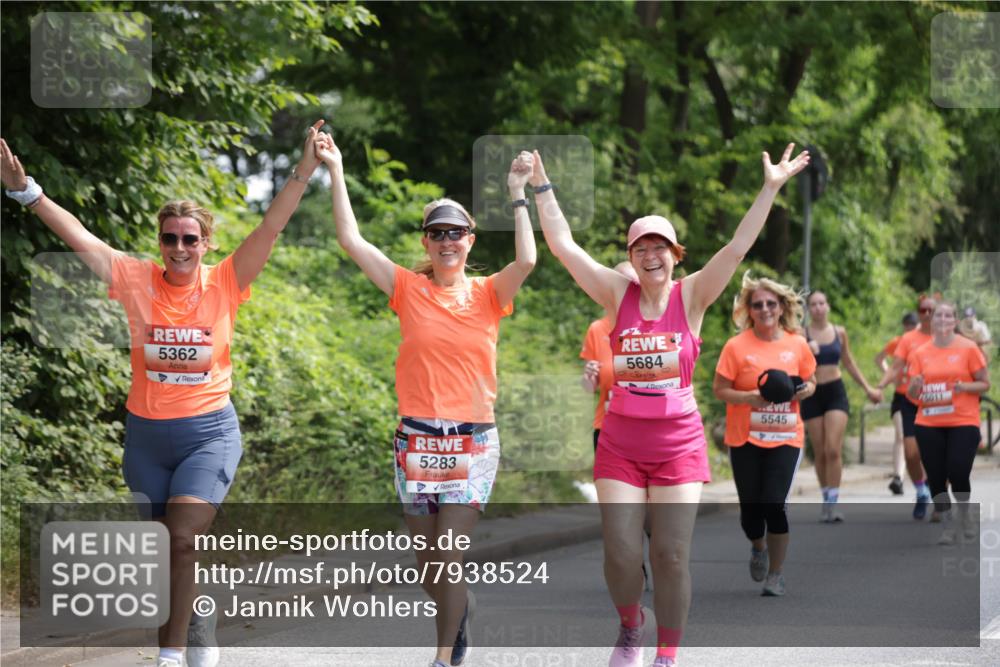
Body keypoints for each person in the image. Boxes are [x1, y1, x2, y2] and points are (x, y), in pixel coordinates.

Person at [1, 123, 327, 667]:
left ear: (206, 243)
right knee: (162, 552)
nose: (179, 248)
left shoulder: (227, 281)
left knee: (181, 540)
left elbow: (271, 225)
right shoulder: (135, 279)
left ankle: (171, 655)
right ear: (161, 242)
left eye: (190, 239)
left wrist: (305, 169)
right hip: (147, 440)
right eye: (170, 238)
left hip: (208, 435)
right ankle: (196, 616)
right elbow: (80, 236)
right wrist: (26, 191)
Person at [535, 142, 809, 666]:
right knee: (621, 551)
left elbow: (737, 247)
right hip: (621, 441)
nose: (650, 255)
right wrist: (542, 187)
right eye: (641, 248)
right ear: (632, 257)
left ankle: (666, 654)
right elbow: (565, 246)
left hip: (678, 444)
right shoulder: (616, 294)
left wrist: (770, 188)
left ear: (675, 254)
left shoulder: (693, 296)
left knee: (671, 555)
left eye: (660, 247)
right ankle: (630, 625)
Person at [317, 131, 535, 667]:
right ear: (426, 242)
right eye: (437, 232)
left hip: (472, 440)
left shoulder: (489, 294)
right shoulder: (406, 289)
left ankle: (443, 656)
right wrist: (336, 169)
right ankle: (460, 611)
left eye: (455, 232)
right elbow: (351, 239)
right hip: (416, 440)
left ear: (469, 241)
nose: (446, 240)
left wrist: (518, 192)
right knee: (427, 567)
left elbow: (527, 260)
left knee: (448, 550)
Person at [713, 274, 817, 597]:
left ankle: (776, 573)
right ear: (749, 310)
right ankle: (758, 547)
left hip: (785, 437)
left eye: (771, 303)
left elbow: (811, 381)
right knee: (751, 514)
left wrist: (805, 391)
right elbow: (720, 389)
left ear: (782, 307)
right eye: (757, 305)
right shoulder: (736, 346)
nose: (765, 309)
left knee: (775, 504)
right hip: (745, 438)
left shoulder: (797, 344)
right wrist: (748, 398)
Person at [906, 300, 990, 545]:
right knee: (935, 476)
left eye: (947, 316)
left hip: (963, 420)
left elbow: (985, 383)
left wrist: (964, 387)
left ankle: (964, 514)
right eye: (938, 316)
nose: (942, 320)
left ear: (955, 321)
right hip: (928, 422)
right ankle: (947, 524)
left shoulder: (969, 348)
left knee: (958, 470)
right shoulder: (920, 353)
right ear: (932, 321)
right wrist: (915, 386)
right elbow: (912, 394)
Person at [801, 291, 882, 522]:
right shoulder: (802, 334)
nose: (818, 307)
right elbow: (792, 360)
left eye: (821, 303)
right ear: (809, 309)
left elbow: (848, 362)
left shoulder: (839, 332)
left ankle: (832, 502)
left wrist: (868, 388)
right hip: (812, 393)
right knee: (820, 451)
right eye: (813, 304)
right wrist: (806, 349)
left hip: (835, 392)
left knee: (833, 449)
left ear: (828, 306)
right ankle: (825, 495)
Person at [877, 296, 936, 519]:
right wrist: (880, 386)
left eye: (931, 310)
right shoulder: (908, 339)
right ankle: (921, 491)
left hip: (937, 402)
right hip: (909, 400)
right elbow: (895, 367)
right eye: (923, 310)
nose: (927, 313)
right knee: (911, 452)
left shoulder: (946, 337)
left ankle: (935, 492)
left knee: (936, 452)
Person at [581, 262, 640, 450]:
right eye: (619, 283)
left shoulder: (652, 325)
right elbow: (589, 388)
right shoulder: (597, 329)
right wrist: (588, 376)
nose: (626, 290)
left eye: (632, 284)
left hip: (644, 425)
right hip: (606, 425)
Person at [875, 311, 920, 495]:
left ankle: (923, 479)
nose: (910, 328)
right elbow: (879, 359)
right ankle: (898, 477)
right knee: (901, 435)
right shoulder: (897, 342)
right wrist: (890, 376)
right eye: (907, 325)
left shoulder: (924, 342)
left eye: (913, 325)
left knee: (919, 439)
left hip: (921, 397)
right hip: (901, 396)